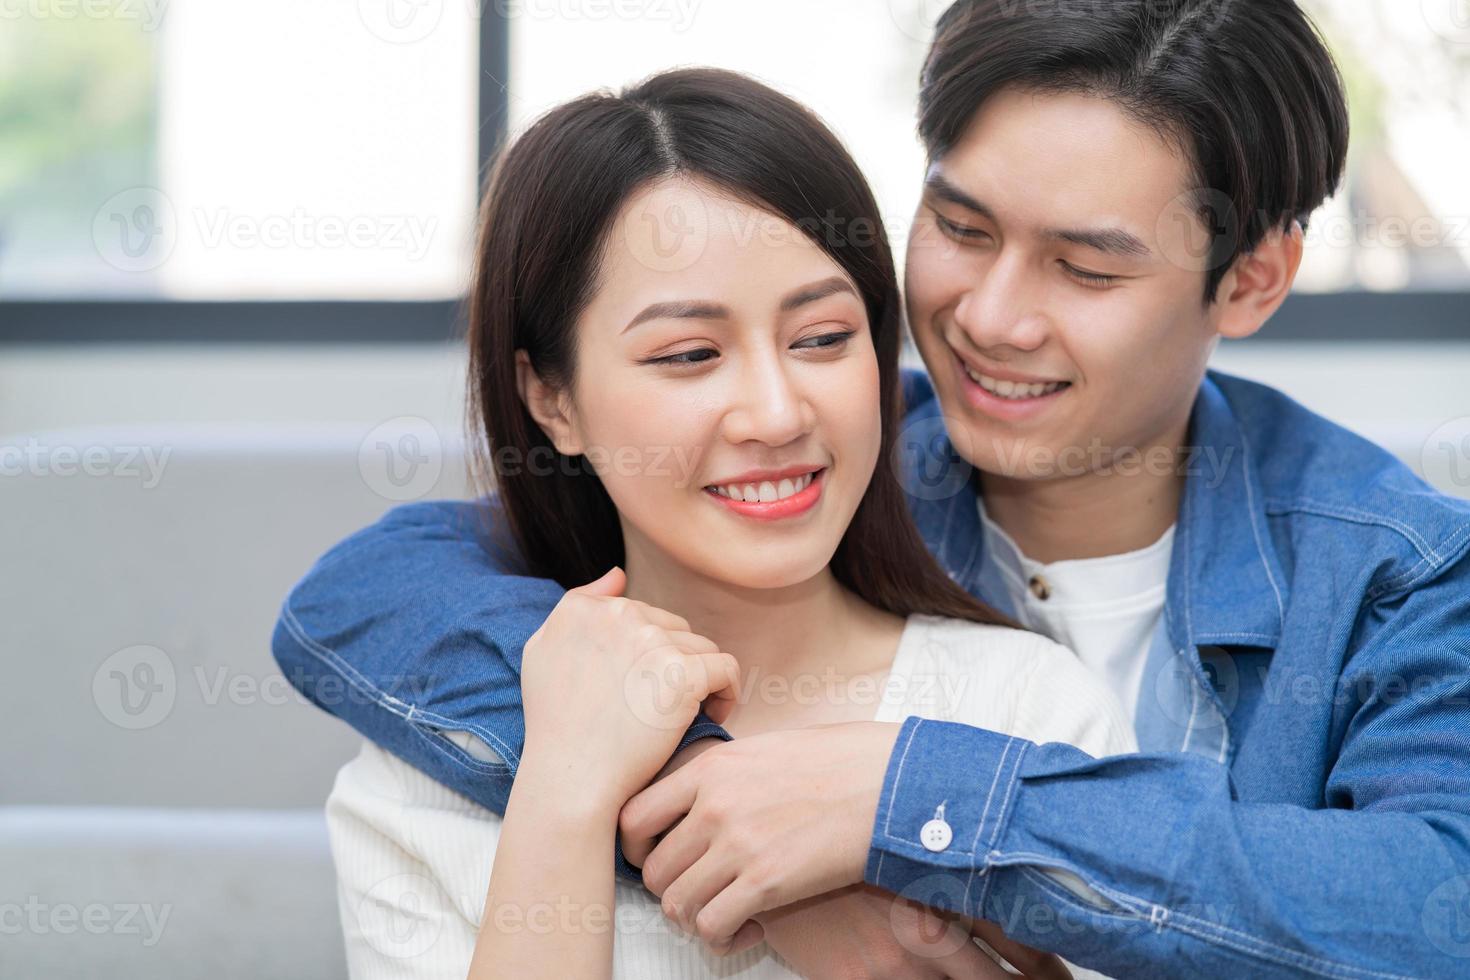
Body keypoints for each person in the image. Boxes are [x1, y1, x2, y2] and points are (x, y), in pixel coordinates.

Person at [278, 1, 1470, 976]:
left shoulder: (1396, 579)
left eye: (1087, 266)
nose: (990, 319)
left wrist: (906, 812)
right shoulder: (825, 450)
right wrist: (718, 797)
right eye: (960, 226)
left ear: (1252, 279)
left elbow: (1442, 902)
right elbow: (374, 589)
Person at [322, 67, 1134, 980]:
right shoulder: (425, 770)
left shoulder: (1033, 714)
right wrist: (562, 795)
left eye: (822, 338)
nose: (776, 414)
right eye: (690, 354)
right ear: (553, 401)